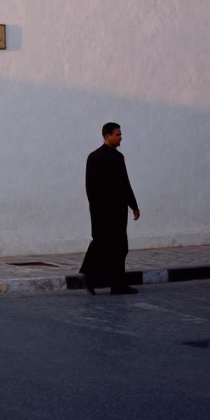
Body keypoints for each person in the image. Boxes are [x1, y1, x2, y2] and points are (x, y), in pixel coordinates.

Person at [80, 122, 141, 295]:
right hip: (115, 211)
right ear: (107, 136)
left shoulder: (94, 157)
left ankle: (109, 282)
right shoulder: (116, 158)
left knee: (104, 243)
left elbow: (89, 188)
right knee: (117, 247)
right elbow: (124, 184)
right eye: (118, 134)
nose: (121, 137)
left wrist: (95, 208)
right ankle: (96, 277)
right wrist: (134, 206)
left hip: (101, 211)